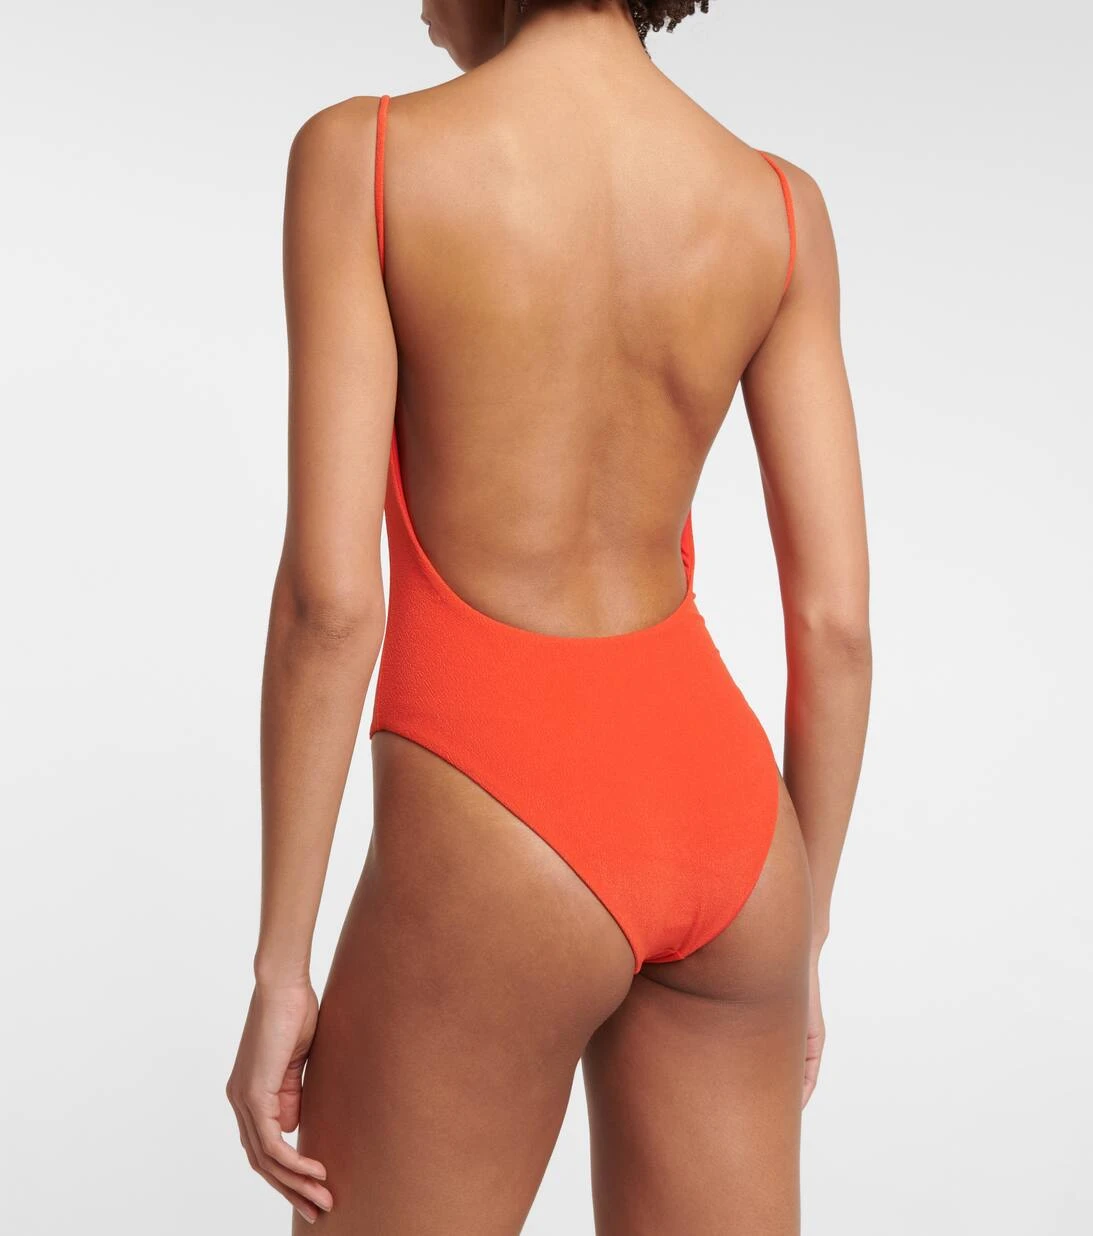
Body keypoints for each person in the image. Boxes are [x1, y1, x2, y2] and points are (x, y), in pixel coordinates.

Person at [226, 1, 871, 1231]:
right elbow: (836, 625)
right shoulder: (777, 207)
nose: (418, 9)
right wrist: (803, 943)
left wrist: (279, 969)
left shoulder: (365, 158)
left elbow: (330, 605)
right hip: (732, 837)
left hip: (497, 807)